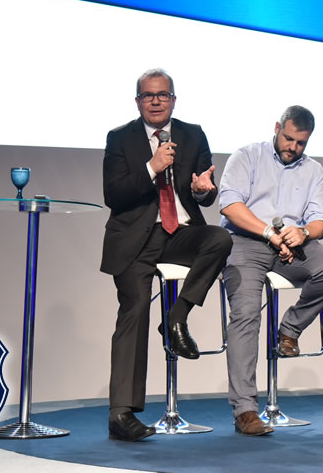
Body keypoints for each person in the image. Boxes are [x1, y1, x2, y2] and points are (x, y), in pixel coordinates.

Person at [100, 68, 232, 442]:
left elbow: (205, 190)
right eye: (148, 95)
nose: (156, 101)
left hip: (181, 233)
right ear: (137, 101)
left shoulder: (193, 134)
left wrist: (204, 190)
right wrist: (152, 167)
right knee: (135, 308)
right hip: (136, 238)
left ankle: (176, 318)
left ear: (173, 99)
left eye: (163, 95)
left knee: (220, 239)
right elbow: (114, 195)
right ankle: (121, 414)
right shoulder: (120, 138)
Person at [219, 106, 323, 436]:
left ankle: (289, 329)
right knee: (246, 313)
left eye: (301, 143)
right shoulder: (247, 156)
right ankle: (245, 410)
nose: (293, 147)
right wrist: (268, 233)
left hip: (291, 246)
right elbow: (229, 205)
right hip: (245, 241)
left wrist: (302, 232)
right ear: (277, 128)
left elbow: (319, 221)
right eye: (289, 139)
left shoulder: (314, 170)